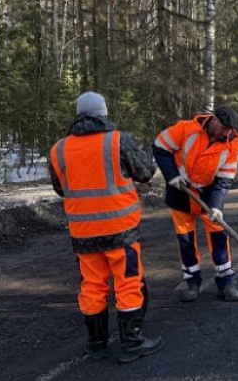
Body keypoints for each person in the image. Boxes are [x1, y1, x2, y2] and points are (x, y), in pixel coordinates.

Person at [48, 91, 164, 363]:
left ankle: (97, 344)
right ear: (104, 113)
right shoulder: (118, 141)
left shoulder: (59, 149)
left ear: (78, 115)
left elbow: (59, 188)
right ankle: (132, 343)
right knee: (128, 283)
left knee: (92, 286)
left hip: (84, 234)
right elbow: (146, 172)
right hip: (121, 232)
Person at [152, 106, 238, 303]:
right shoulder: (185, 129)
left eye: (231, 130)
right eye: (225, 128)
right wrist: (171, 176)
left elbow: (225, 179)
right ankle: (192, 282)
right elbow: (159, 146)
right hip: (181, 189)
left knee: (218, 231)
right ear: (214, 120)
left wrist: (216, 206)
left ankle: (225, 281)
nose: (227, 133)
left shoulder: (232, 144)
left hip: (209, 192)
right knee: (185, 236)